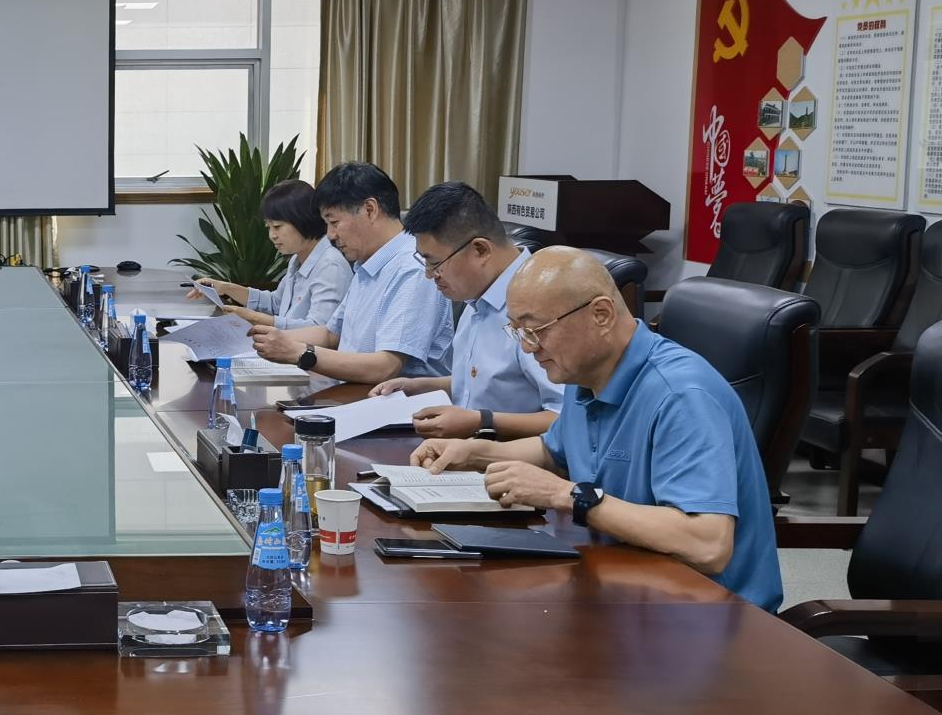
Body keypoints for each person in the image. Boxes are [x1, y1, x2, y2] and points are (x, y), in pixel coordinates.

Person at [413, 248, 782, 611]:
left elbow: (707, 545)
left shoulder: (681, 396)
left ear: (601, 315)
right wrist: (473, 452)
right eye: (518, 331)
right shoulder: (586, 372)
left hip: (708, 613)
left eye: (536, 330)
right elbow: (555, 452)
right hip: (626, 582)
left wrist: (567, 495)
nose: (527, 348)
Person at [369, 181, 561, 440]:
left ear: (480, 250)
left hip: (512, 457)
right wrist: (418, 387)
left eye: (435, 263)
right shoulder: (477, 295)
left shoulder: (542, 303)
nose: (429, 275)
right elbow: (487, 383)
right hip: (463, 448)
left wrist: (481, 421)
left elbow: (564, 418)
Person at [248, 161, 454, 385]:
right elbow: (331, 334)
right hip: (351, 393)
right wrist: (266, 340)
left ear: (370, 210)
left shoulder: (411, 269)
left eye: (334, 222)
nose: (330, 235)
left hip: (392, 403)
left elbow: (384, 367)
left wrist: (299, 352)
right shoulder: (367, 265)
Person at [188, 178, 350, 330]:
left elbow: (319, 330)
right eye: (269, 227)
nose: (272, 235)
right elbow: (276, 303)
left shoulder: (330, 266)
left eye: (277, 227)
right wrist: (225, 288)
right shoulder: (298, 258)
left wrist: (254, 318)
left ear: (302, 219)